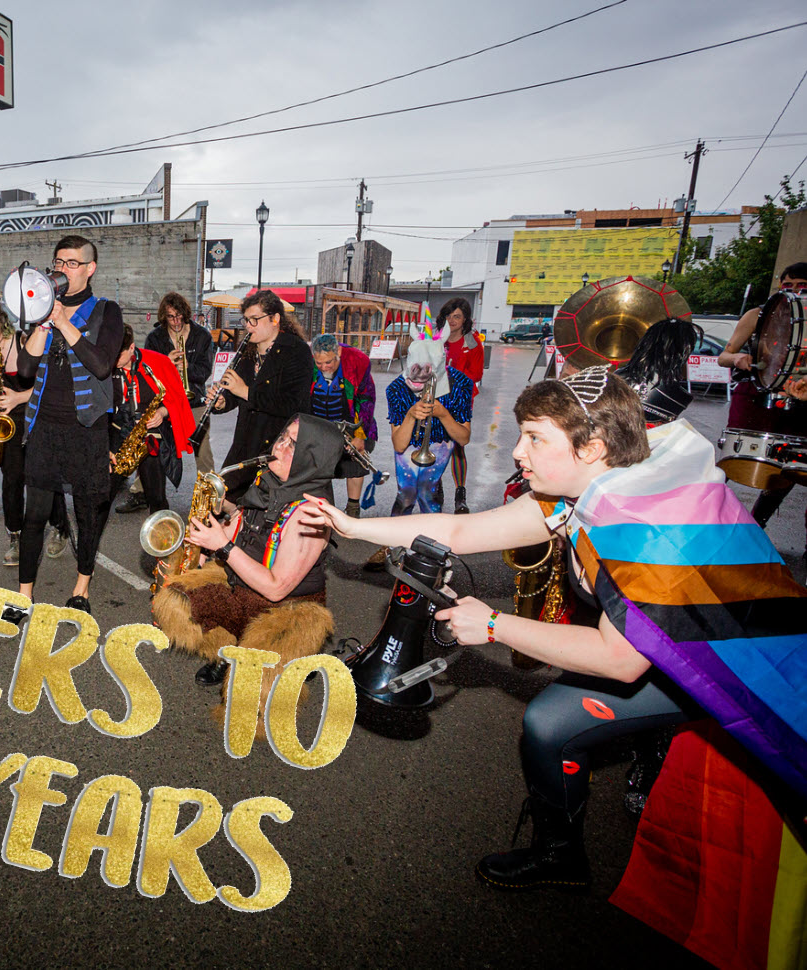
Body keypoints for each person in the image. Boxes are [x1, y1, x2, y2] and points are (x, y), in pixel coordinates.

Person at [299, 366, 806, 896]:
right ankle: (580, 831)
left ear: (592, 447)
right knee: (556, 721)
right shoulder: (594, 484)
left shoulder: (649, 526)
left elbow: (620, 659)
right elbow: (459, 529)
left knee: (550, 722)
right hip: (680, 648)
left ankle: (574, 839)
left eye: (536, 437)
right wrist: (352, 526)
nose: (518, 452)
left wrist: (494, 624)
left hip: (746, 671)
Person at [151, 414, 344, 700]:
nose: (278, 446)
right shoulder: (269, 480)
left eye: (293, 445)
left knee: (247, 697)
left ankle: (295, 656)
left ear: (311, 459)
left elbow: (276, 588)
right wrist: (205, 543)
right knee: (177, 601)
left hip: (286, 609)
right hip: (241, 585)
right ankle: (225, 653)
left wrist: (224, 547)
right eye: (283, 437)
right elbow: (240, 523)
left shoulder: (311, 514)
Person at [14, 235, 123, 615]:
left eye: (72, 263)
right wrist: (44, 323)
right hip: (44, 425)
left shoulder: (106, 312)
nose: (62, 269)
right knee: (35, 515)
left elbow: (101, 365)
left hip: (86, 426)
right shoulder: (43, 308)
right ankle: (24, 596)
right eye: (58, 261)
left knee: (87, 512)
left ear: (90, 269)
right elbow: (24, 371)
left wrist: (64, 322)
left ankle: (81, 589)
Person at [364, 316, 471, 570]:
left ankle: (434, 555)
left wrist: (443, 414)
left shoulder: (461, 384)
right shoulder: (397, 388)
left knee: (429, 497)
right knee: (406, 494)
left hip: (441, 444)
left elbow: (463, 438)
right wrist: (412, 414)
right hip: (410, 446)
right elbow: (399, 445)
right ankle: (393, 546)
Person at [0, 295, 71, 567]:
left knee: (45, 476)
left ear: (0, 317)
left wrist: (18, 398)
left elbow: (51, 383)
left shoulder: (23, 340)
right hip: (6, 423)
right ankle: (15, 536)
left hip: (37, 414)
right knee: (12, 480)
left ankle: (59, 527)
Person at [716, 262, 807, 547]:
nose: (793, 292)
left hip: (799, 403)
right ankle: (710, 523)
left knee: (789, 468)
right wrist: (739, 359)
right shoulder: (757, 315)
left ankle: (756, 528)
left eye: (801, 286)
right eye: (787, 286)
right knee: (732, 460)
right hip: (756, 396)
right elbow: (723, 356)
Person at [205, 290, 313, 501]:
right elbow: (236, 395)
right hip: (246, 441)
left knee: (268, 510)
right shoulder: (248, 350)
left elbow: (292, 404)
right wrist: (222, 401)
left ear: (275, 319)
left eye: (255, 320)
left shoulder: (297, 351)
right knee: (223, 501)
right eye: (246, 320)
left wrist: (244, 391)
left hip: (279, 445)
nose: (248, 326)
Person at [124, 292, 216, 512]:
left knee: (202, 451)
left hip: (193, 400)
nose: (176, 322)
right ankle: (141, 491)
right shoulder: (155, 338)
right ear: (164, 317)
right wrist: (166, 364)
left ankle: (209, 496)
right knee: (153, 448)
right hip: (163, 402)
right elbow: (146, 372)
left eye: (179, 316)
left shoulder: (202, 336)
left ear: (186, 314)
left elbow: (204, 372)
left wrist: (183, 365)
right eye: (171, 317)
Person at [105, 324, 195, 517]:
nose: (112, 360)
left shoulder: (157, 362)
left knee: (157, 498)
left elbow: (177, 398)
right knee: (103, 497)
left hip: (150, 436)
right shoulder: (105, 365)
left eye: (117, 355)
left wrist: (162, 412)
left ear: (131, 348)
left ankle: (162, 538)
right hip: (118, 434)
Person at [309, 332, 378, 518]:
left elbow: (366, 399)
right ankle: (322, 508)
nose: (324, 367)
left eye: (329, 362)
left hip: (352, 419)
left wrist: (359, 434)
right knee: (317, 467)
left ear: (338, 352)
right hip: (319, 421)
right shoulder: (308, 362)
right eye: (319, 363)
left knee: (355, 464)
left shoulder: (357, 360)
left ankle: (353, 508)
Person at [439, 298, 484, 514]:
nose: (452, 320)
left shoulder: (473, 343)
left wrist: (452, 377)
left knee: (458, 446)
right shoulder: (437, 339)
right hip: (437, 398)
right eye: (448, 316)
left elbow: (476, 374)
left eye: (456, 316)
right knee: (434, 443)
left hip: (460, 399)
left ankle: (460, 494)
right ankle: (435, 487)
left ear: (465, 318)